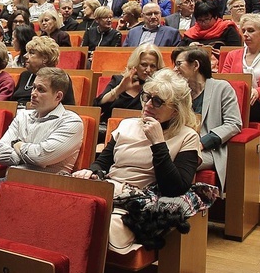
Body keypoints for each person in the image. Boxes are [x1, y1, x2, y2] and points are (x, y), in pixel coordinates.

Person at [73, 69, 203, 253]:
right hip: (108, 191)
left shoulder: (187, 136)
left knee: (90, 227)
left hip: (138, 207)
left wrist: (158, 143)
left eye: (157, 101)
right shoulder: (127, 125)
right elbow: (102, 163)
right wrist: (91, 171)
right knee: (64, 214)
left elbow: (175, 188)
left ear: (175, 111)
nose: (148, 105)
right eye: (146, 97)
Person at [172, 47, 242, 191]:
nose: (174, 69)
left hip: (209, 149)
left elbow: (234, 124)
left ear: (196, 65)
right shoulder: (178, 92)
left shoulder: (222, 88)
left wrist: (203, 143)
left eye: (179, 64)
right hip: (178, 143)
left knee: (176, 162)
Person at [0, 67, 84, 173]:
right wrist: (30, 157)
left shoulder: (71, 122)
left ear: (58, 96)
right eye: (33, 87)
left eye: (40, 89)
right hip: (12, 178)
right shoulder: (23, 115)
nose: (33, 93)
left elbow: (41, 157)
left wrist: (17, 144)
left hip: (45, 184)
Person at [95, 43, 164, 125]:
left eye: (153, 66)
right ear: (135, 65)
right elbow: (98, 107)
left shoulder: (156, 90)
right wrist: (119, 89)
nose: (148, 70)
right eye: (144, 65)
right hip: (108, 128)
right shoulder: (119, 80)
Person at [11, 36, 75, 107]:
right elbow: (12, 103)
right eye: (27, 52)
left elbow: (68, 108)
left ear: (45, 58)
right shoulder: (24, 75)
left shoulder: (59, 78)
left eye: (31, 53)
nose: (25, 56)